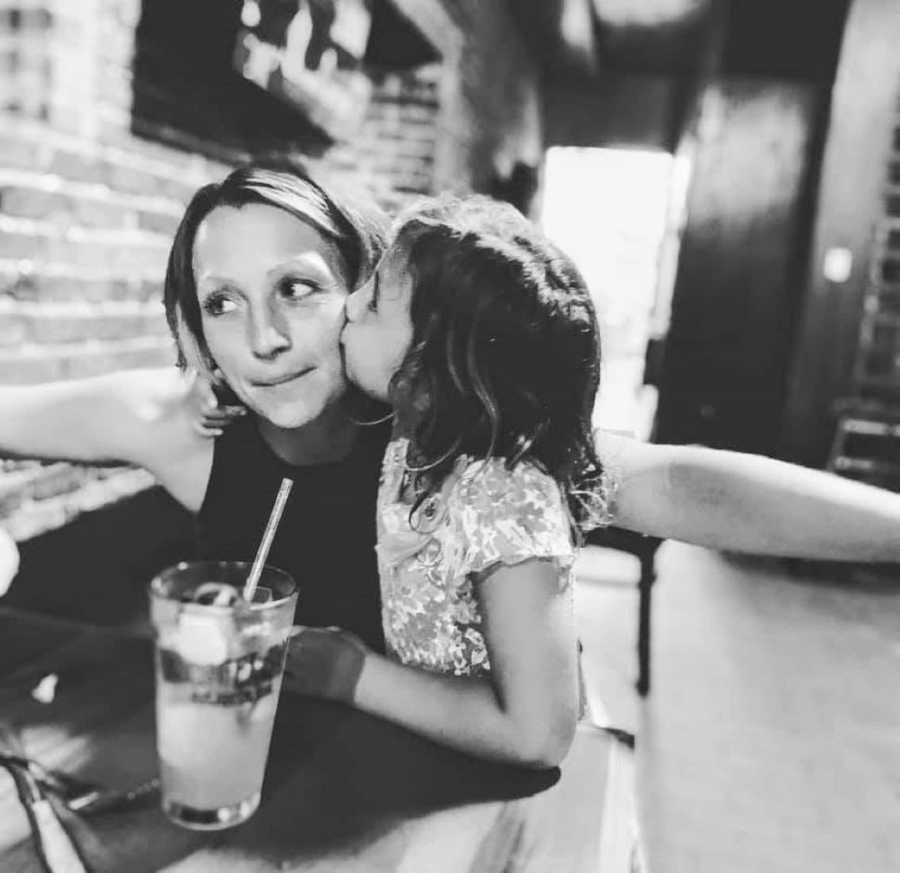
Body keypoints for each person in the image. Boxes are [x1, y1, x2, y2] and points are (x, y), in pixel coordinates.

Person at [275, 193, 900, 770]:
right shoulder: (409, 434)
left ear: (432, 374)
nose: (349, 304)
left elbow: (538, 734)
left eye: (375, 299)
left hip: (503, 786)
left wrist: (352, 674)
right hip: (428, 757)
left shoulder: (498, 491)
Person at [0, 159, 391, 650]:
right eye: (222, 303)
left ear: (365, 291)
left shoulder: (445, 444)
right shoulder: (189, 427)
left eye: (295, 289)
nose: (264, 339)